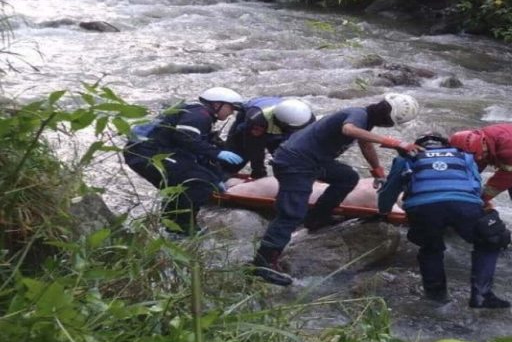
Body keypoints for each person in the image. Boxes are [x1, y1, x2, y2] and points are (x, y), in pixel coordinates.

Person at [250, 93, 421, 286]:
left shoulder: (365, 121)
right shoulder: (358, 114)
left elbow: (366, 145)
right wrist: (395, 142)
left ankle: (317, 218)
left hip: (313, 161)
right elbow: (349, 130)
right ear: (388, 118)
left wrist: (378, 173)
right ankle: (262, 264)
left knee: (347, 177)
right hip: (295, 163)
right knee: (291, 213)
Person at [377, 133, 512, 308]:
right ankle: (482, 295)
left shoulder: (405, 158)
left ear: (416, 145)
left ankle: (436, 298)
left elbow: (390, 190)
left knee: (430, 248)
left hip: (423, 208)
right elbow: (476, 186)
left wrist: (383, 212)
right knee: (489, 240)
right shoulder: (465, 157)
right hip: (464, 205)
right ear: (446, 146)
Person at [123, 87, 245, 235]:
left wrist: (217, 177)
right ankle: (182, 230)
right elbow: (185, 137)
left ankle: (170, 225)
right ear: (216, 104)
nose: (231, 113)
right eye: (230, 108)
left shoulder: (198, 114)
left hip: (152, 151)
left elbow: (195, 154)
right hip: (147, 152)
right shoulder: (199, 115)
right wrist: (217, 153)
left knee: (184, 183)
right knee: (197, 184)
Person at [223, 97, 316, 179]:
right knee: (235, 160)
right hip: (251, 123)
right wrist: (258, 171)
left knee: (286, 161)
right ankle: (222, 178)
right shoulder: (257, 119)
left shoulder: (307, 118)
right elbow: (254, 148)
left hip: (276, 128)